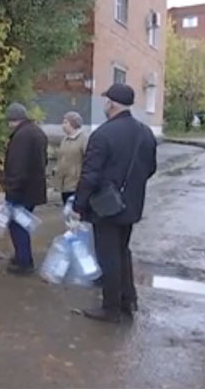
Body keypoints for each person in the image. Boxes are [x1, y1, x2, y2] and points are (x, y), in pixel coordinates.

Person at [73, 83, 157, 323]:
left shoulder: (103, 134)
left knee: (108, 255)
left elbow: (90, 175)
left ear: (111, 103)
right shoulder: (145, 132)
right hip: (131, 205)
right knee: (122, 251)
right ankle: (128, 300)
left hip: (105, 207)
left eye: (106, 100)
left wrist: (79, 205)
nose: (104, 104)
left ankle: (110, 308)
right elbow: (150, 169)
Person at [3, 102, 48, 275]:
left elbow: (17, 166)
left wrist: (11, 191)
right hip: (34, 188)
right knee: (22, 223)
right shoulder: (37, 132)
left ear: (13, 119)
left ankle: (24, 262)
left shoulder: (21, 136)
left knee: (17, 225)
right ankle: (21, 256)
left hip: (21, 191)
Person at [56, 111, 88, 205]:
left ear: (73, 123)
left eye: (66, 122)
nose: (63, 125)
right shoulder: (64, 139)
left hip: (76, 184)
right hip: (64, 183)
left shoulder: (84, 139)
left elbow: (88, 159)